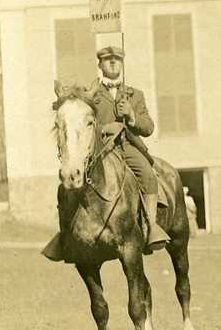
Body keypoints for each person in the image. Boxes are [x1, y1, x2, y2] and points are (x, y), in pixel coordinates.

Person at [43, 45, 169, 260]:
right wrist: (106, 128)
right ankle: (65, 236)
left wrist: (131, 117)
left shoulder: (135, 95)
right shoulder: (92, 95)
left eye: (117, 59)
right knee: (65, 188)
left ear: (122, 64)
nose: (112, 63)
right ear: (100, 65)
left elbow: (148, 127)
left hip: (128, 147)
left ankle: (151, 226)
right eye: (107, 59)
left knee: (147, 174)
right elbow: (83, 124)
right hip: (101, 151)